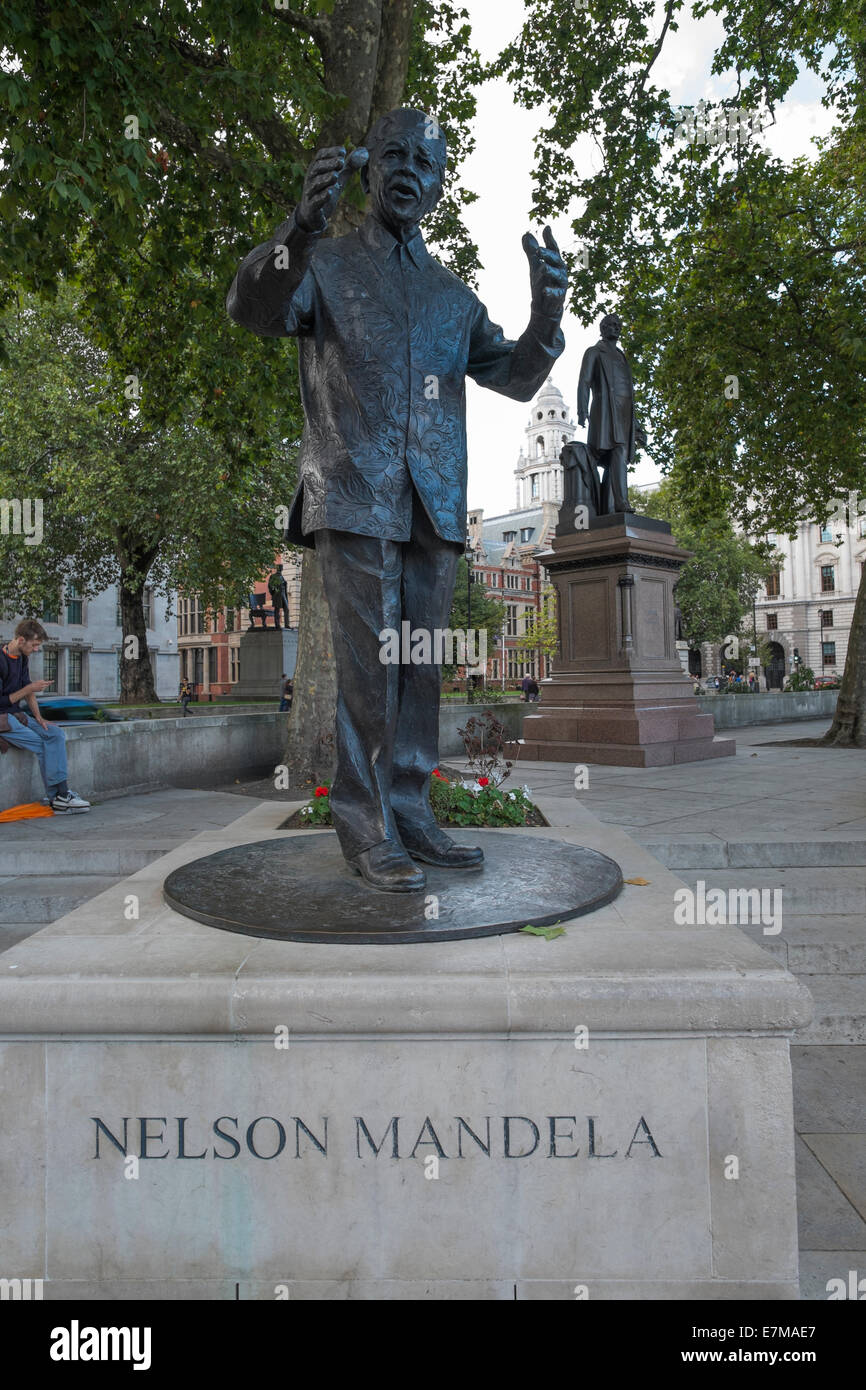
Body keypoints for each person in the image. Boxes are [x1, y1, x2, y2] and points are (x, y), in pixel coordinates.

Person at [228, 107, 566, 891]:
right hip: (352, 493)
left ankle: (410, 807)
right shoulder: (326, 263)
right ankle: (364, 822)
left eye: (426, 160)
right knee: (367, 671)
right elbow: (253, 308)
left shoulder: (453, 297)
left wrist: (545, 317)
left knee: (420, 669)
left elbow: (514, 377)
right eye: (394, 155)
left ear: (442, 182)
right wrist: (296, 230)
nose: (410, 168)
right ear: (369, 166)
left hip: (434, 507)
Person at [0, 619, 91, 812]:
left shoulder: (22, 658)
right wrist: (29, 688)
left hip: (16, 715)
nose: (35, 650)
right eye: (34, 645)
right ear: (21, 640)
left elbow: (29, 692)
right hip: (2, 719)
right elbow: (8, 698)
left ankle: (61, 795)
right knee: (43, 745)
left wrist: (39, 719)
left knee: (55, 734)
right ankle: (58, 796)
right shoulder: (0, 660)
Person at [577, 314, 647, 514]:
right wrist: (582, 410)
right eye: (611, 325)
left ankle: (612, 504)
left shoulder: (622, 356)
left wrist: (637, 426)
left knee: (619, 457)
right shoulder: (594, 352)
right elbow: (584, 381)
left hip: (625, 413)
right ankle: (621, 502)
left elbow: (630, 395)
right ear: (602, 328)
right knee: (617, 452)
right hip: (606, 411)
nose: (615, 328)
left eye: (618, 325)